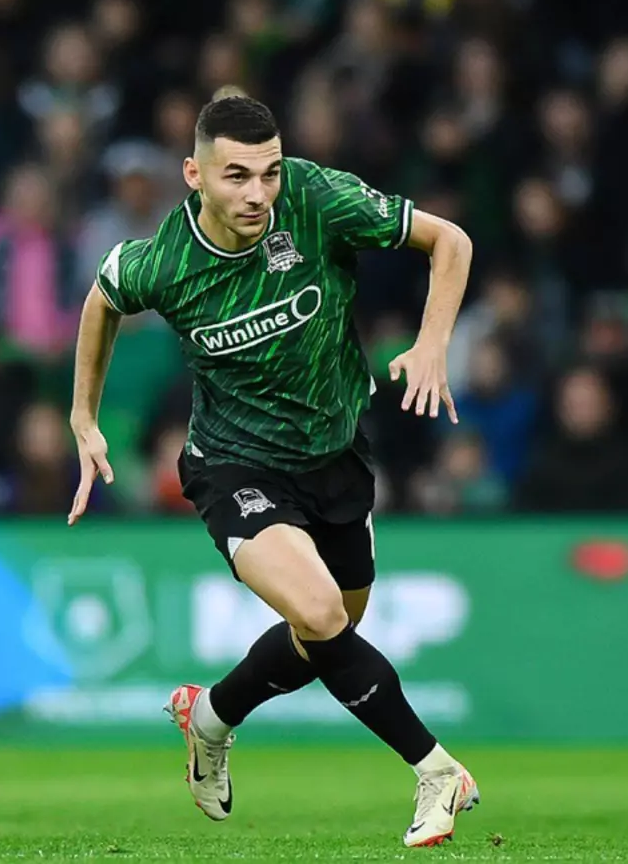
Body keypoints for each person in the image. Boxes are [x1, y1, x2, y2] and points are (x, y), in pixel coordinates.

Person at [68, 92, 478, 847]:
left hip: (335, 455)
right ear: (194, 174)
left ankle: (210, 716)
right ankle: (436, 769)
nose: (258, 193)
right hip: (233, 464)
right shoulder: (162, 262)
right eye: (236, 176)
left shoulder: (316, 199)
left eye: (269, 173)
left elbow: (449, 240)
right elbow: (102, 301)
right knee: (320, 615)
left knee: (327, 632)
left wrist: (432, 343)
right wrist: (84, 417)